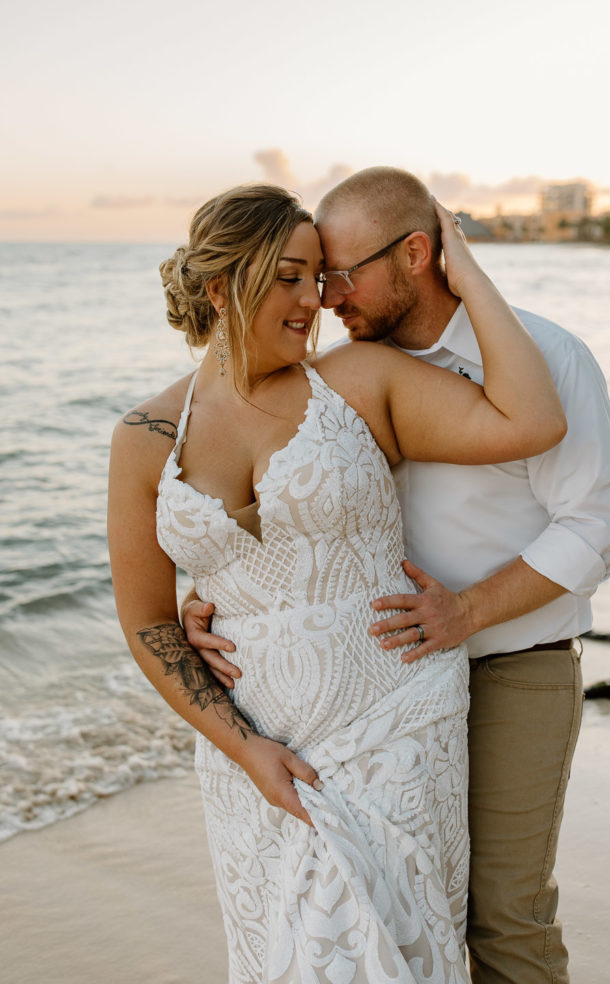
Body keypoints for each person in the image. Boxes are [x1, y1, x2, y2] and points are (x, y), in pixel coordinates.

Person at [108, 182, 565, 984]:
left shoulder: (358, 382)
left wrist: (467, 272)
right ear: (220, 287)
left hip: (392, 718)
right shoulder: (145, 438)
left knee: (391, 950)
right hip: (249, 741)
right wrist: (245, 748)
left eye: (317, 277)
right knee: (287, 959)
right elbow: (147, 622)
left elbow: (529, 420)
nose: (312, 301)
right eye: (287, 277)